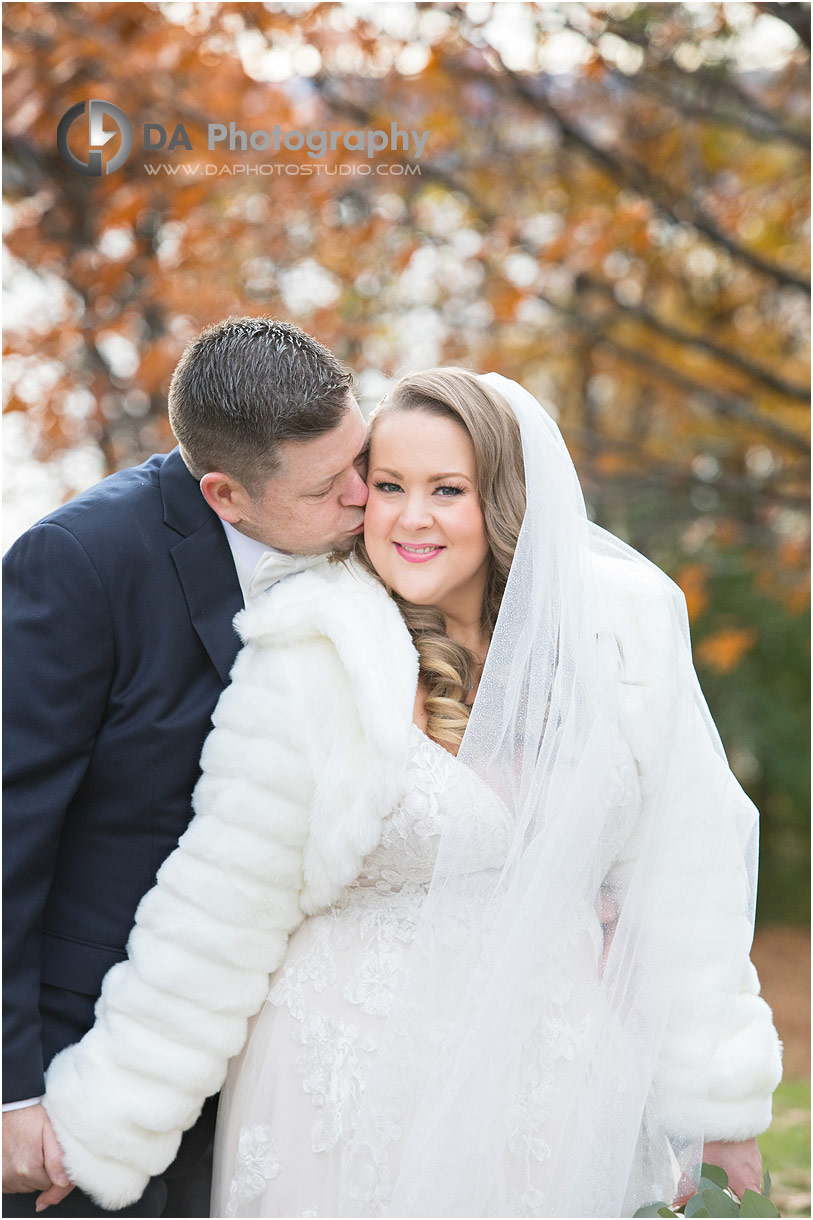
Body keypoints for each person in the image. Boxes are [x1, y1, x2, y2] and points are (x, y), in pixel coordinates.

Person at [38, 370, 781, 1217]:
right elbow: (220, 909)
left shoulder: (620, 630)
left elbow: (687, 876)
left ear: (503, 500)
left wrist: (717, 1108)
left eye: (447, 490)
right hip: (345, 1103)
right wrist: (103, 1124)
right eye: (388, 486)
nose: (410, 517)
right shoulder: (316, 649)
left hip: (557, 1089)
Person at [2, 316, 369, 1217]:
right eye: (332, 486)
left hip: (289, 1053)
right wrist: (11, 1092)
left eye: (364, 458)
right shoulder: (80, 563)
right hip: (90, 1064)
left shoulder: (383, 537)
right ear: (224, 495)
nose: (369, 497)